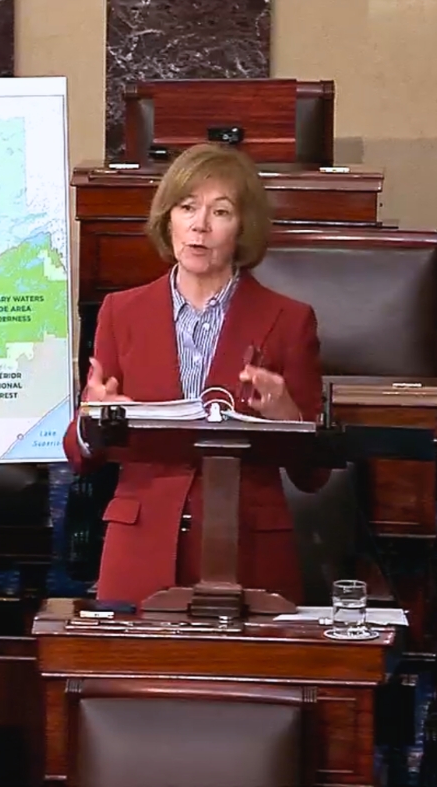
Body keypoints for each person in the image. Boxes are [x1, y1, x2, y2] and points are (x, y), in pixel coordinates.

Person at [63, 142, 327, 604]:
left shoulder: (290, 319)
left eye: (220, 212)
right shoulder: (120, 312)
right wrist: (94, 420)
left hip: (249, 552)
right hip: (140, 549)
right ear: (169, 218)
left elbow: (314, 474)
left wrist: (289, 417)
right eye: (188, 207)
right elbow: (79, 455)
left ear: (242, 227)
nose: (200, 225)